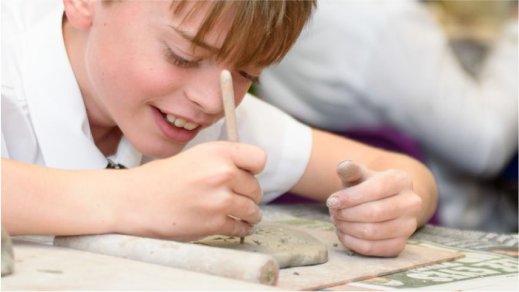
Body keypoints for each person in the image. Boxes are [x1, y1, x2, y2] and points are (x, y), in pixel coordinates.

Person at [0, 0, 437, 257]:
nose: (211, 102)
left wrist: (391, 205)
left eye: (248, 74)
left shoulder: (209, 112)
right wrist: (133, 199)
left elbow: (396, 170)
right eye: (183, 56)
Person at [256, 0, 519, 232]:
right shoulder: (385, 22)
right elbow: (487, 147)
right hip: (450, 220)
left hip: (311, 205)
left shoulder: (282, 9)